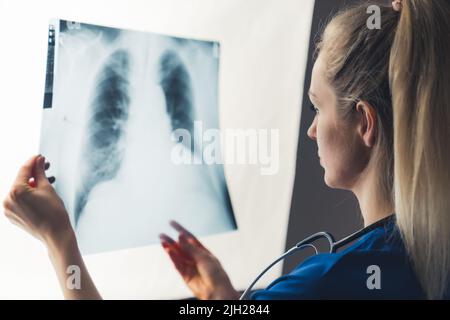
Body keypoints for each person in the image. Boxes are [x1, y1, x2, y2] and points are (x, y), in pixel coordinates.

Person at [3, 0, 450, 299]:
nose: (312, 130)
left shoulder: (328, 281)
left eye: (318, 107)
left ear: (366, 123)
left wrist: (59, 240)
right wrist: (232, 301)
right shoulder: (422, 256)